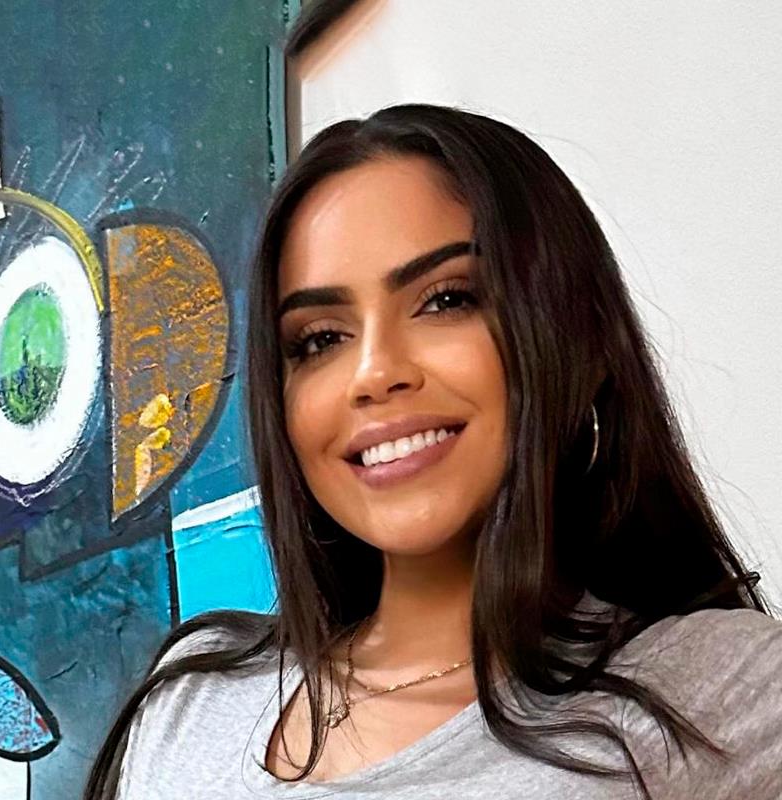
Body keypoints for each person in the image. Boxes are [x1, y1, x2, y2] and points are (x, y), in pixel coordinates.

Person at [84, 103, 782, 800]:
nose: (373, 373)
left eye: (446, 300)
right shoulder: (192, 698)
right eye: (320, 339)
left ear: (581, 337)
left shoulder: (721, 692)